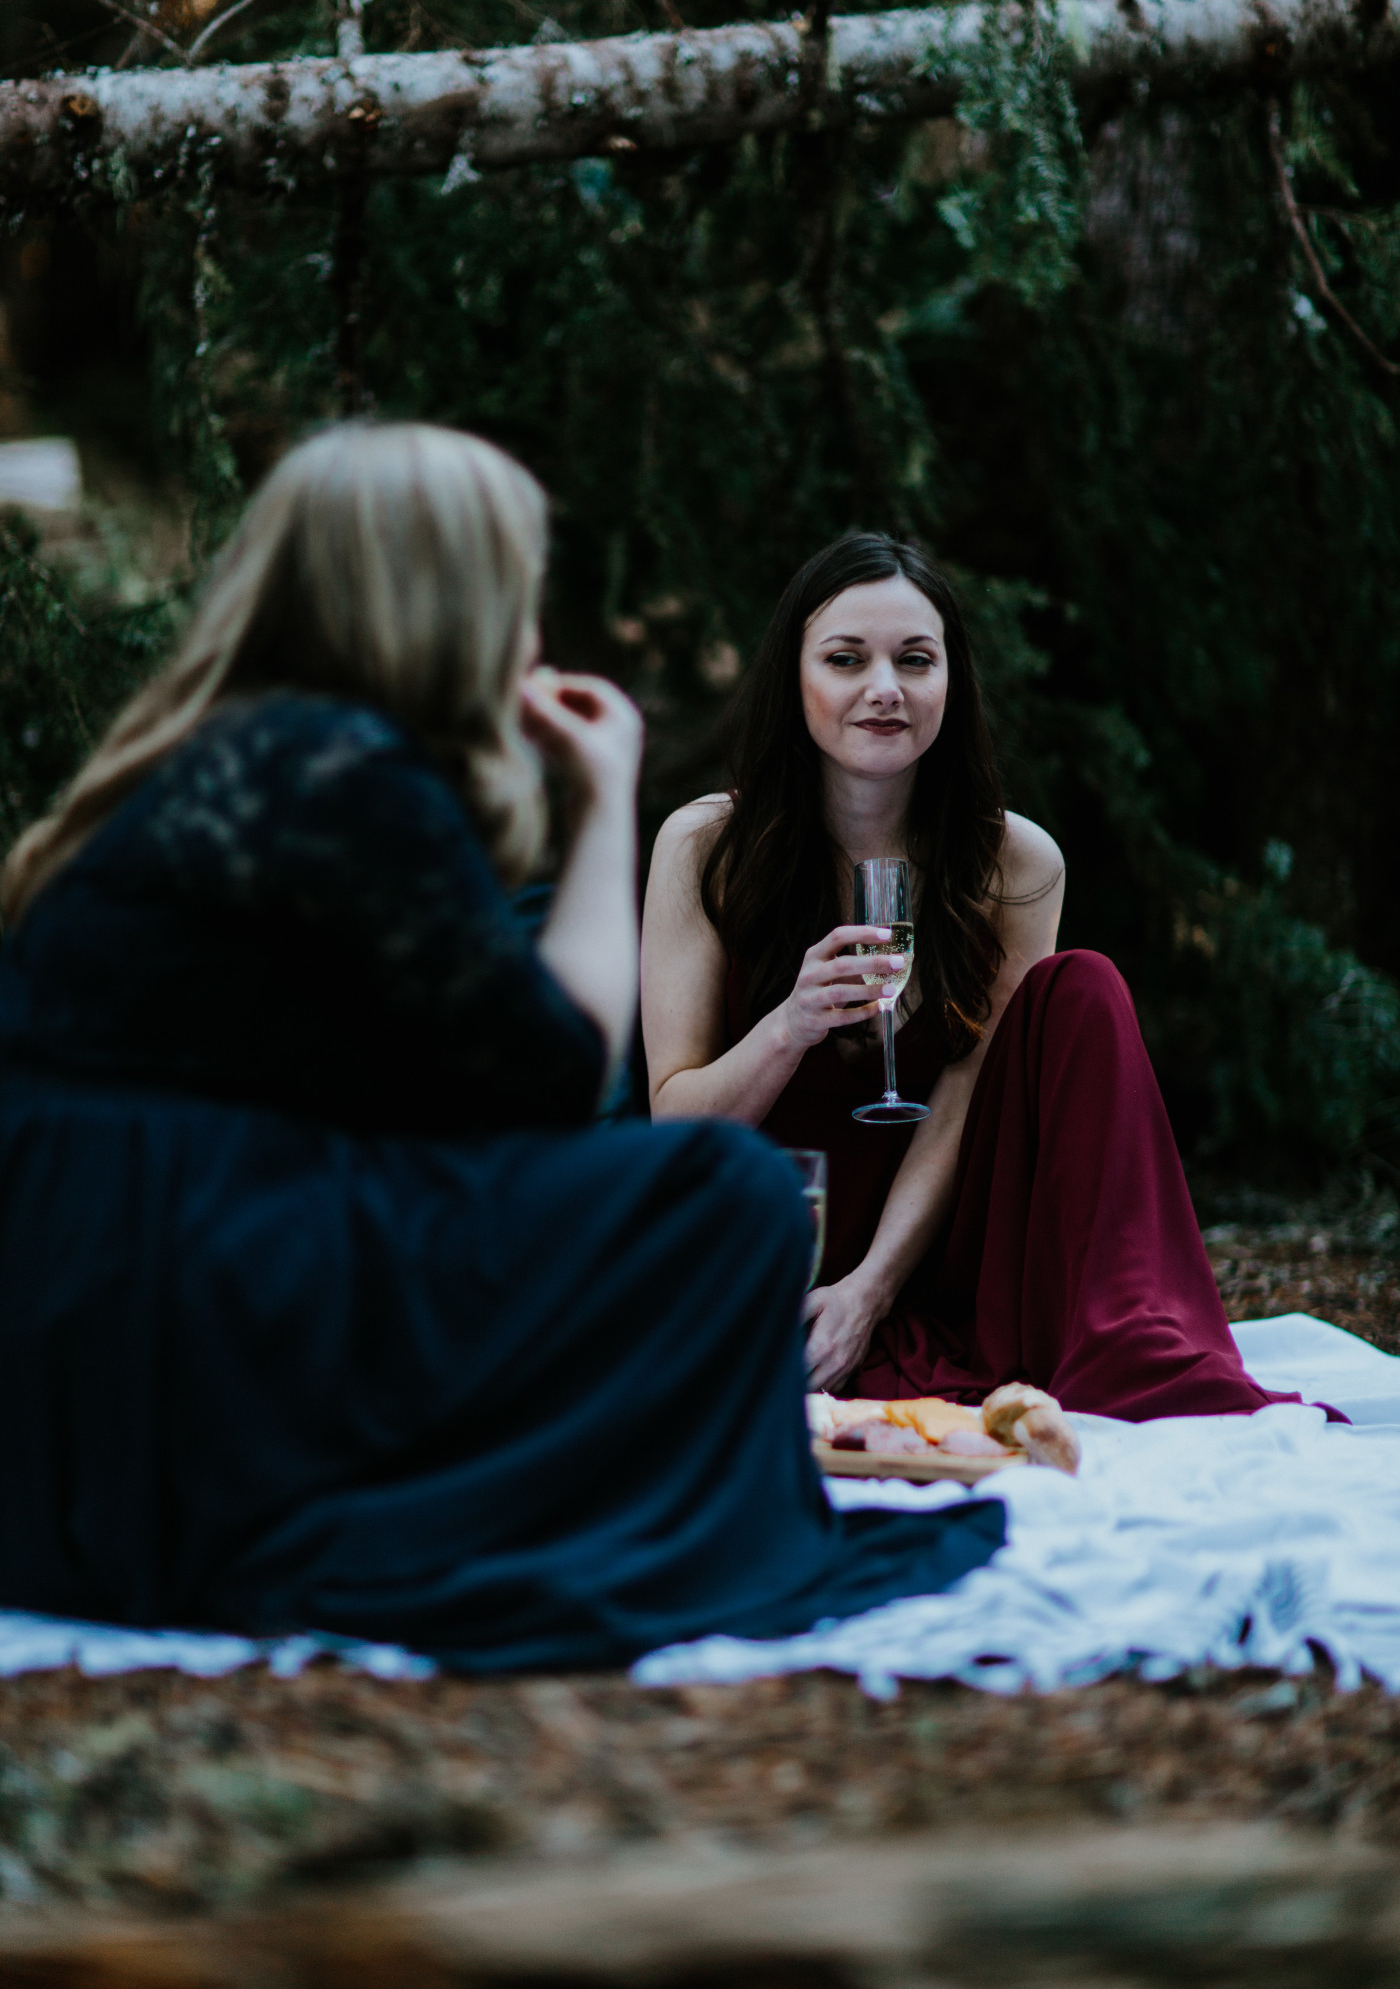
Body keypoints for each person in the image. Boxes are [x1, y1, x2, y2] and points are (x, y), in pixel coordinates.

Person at [0, 429, 1004, 1672]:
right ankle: (538, 1500)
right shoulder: (346, 773)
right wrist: (602, 799)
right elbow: (549, 1077)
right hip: (204, 1319)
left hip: (72, 1345)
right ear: (443, 597)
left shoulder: (199, 771)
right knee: (731, 1192)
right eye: (511, 579)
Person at [642, 531, 1297, 1419]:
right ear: (793, 678)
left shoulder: (1015, 864)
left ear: (951, 681)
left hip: (940, 1249)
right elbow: (675, 1125)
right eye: (845, 659)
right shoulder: (705, 848)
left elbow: (965, 1100)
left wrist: (872, 1291)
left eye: (916, 660)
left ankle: (1121, 1328)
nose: (885, 689)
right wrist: (790, 1025)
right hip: (779, 1237)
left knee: (1084, 987)